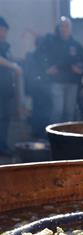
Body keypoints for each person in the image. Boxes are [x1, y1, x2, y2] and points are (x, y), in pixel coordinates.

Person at [38, 16, 83, 124]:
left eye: (66, 26)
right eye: (62, 26)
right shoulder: (51, 42)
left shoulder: (75, 44)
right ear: (58, 28)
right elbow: (40, 57)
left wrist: (81, 70)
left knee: (69, 111)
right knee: (58, 110)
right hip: (57, 82)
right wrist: (47, 69)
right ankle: (51, 135)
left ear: (70, 28)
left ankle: (67, 137)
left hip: (72, 83)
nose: (64, 29)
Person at [0, 17, 22, 156]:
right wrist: (13, 66)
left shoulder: (5, 46)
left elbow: (8, 59)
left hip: (6, 89)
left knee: (5, 119)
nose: (3, 33)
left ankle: (3, 145)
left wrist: (17, 62)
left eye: (5, 31)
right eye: (1, 30)